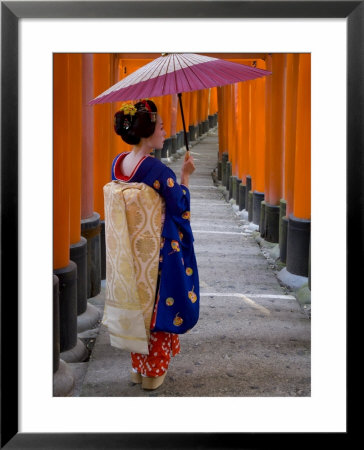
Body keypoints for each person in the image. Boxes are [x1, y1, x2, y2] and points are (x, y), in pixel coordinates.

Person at [110, 99, 199, 390]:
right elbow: (180, 207)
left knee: (138, 307)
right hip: (157, 255)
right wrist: (185, 176)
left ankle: (139, 367)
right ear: (148, 132)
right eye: (161, 126)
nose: (165, 131)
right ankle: (154, 372)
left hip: (130, 253)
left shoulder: (119, 164)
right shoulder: (159, 172)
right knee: (158, 310)